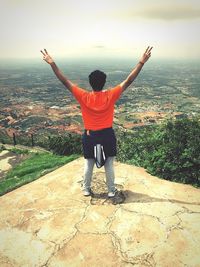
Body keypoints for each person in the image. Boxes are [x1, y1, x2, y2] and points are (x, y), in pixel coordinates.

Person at [40, 46, 153, 197]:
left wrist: (52, 63)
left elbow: (65, 81)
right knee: (109, 164)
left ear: (90, 83)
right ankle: (111, 191)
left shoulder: (84, 96)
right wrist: (141, 62)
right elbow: (129, 80)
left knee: (89, 163)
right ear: (104, 82)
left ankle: (86, 189)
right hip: (107, 134)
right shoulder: (110, 95)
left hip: (90, 136)